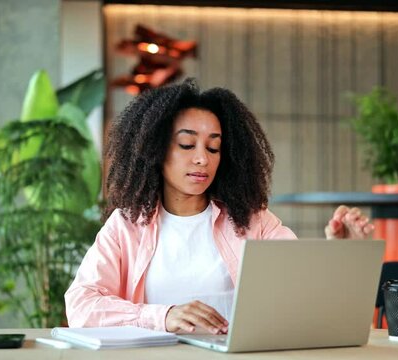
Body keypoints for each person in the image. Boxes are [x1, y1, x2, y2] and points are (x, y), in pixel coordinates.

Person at [64, 79, 374, 335]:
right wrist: (163, 316)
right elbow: (81, 305)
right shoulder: (126, 226)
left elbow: (304, 294)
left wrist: (342, 255)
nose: (203, 158)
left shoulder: (254, 221)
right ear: (156, 150)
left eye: (213, 147)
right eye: (187, 145)